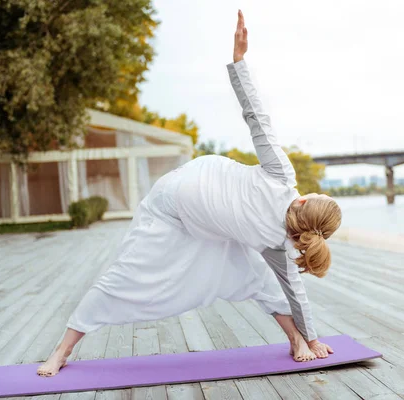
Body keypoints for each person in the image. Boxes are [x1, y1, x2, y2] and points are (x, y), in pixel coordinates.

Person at [37, 10, 342, 377]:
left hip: (208, 223)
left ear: (306, 200)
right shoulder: (278, 211)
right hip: (168, 212)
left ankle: (295, 341)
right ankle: (62, 351)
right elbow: (298, 292)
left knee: (258, 278)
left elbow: (257, 118)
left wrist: (239, 60)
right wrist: (316, 336)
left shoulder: (278, 210)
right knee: (125, 277)